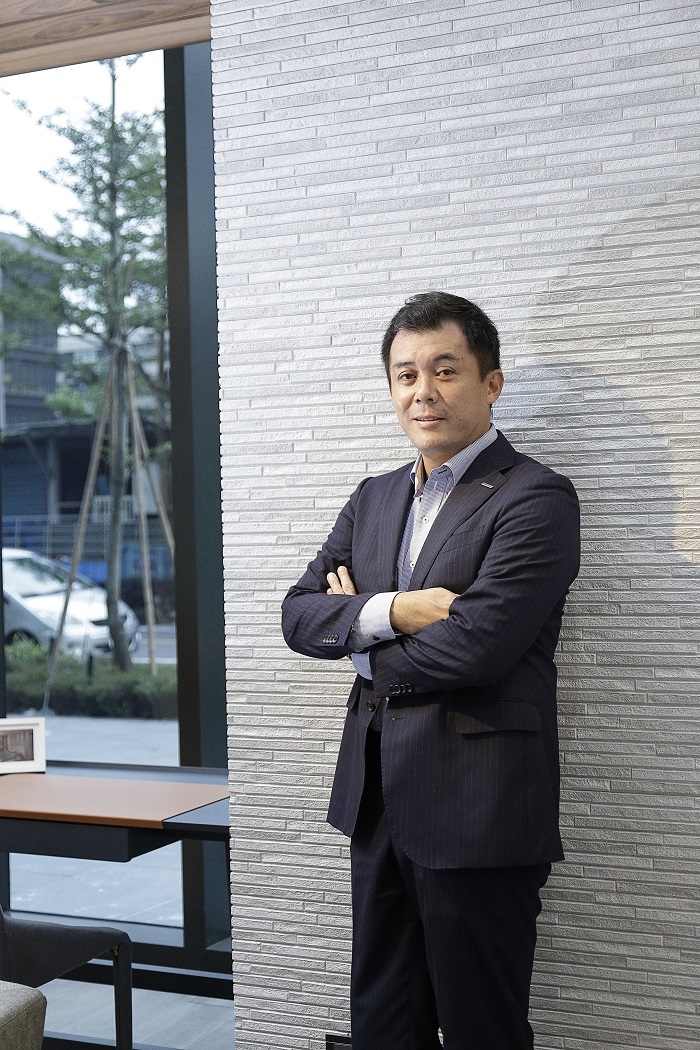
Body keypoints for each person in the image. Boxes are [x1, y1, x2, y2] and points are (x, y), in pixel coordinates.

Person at [281, 291, 580, 1050]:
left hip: (478, 810)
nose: (423, 392)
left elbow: (478, 647)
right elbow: (297, 615)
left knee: (483, 1029)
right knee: (383, 1024)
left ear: (492, 382)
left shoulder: (536, 497)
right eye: (405, 374)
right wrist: (399, 611)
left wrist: (355, 633)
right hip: (376, 801)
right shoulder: (374, 497)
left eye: (445, 370)